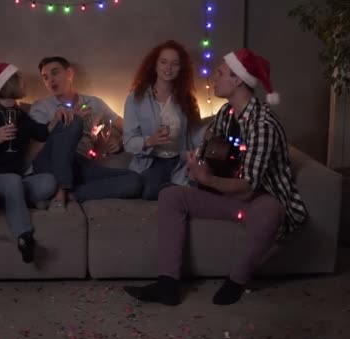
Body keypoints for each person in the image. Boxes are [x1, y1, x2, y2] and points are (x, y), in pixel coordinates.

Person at [123, 49, 308, 305]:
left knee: (271, 210)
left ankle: (236, 281)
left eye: (220, 73)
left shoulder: (262, 126)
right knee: (170, 195)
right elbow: (211, 152)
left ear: (237, 81)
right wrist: (197, 162)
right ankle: (167, 285)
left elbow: (248, 188)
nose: (214, 77)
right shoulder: (226, 114)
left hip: (257, 200)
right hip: (228, 197)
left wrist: (207, 179)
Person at [0, 63, 58, 263]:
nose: (25, 83)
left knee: (49, 181)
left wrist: (58, 117)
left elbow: (42, 132)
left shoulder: (20, 114)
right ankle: (25, 237)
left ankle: (8, 201)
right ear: (8, 84)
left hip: (15, 180)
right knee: (13, 181)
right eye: (20, 79)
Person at [29, 56, 142, 210]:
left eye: (55, 73)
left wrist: (120, 140)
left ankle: (71, 195)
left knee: (134, 181)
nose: (51, 80)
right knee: (74, 122)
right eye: (46, 77)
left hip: (80, 164)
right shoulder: (40, 107)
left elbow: (128, 128)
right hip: (51, 164)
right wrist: (63, 123)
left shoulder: (94, 103)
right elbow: (35, 150)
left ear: (69, 73)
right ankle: (60, 191)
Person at [123, 40, 202, 200]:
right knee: (149, 192)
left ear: (181, 69)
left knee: (195, 182)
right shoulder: (135, 98)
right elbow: (128, 142)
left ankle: (183, 189)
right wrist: (149, 141)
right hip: (152, 162)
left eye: (174, 64)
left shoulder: (186, 99)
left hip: (178, 161)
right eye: (164, 62)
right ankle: (181, 191)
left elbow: (195, 136)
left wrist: (198, 153)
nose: (168, 68)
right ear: (155, 65)